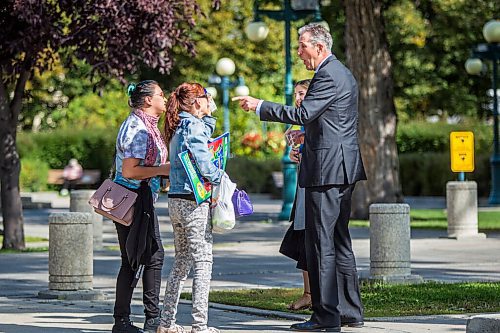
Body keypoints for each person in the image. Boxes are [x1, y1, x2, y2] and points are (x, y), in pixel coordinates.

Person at [234, 23, 366, 332]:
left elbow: (303, 114)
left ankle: (325, 316)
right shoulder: (340, 72)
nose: (298, 52)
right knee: (338, 240)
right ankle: (349, 311)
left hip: (327, 169)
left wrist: (260, 106)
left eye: (302, 46)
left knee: (320, 242)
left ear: (319, 48)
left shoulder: (328, 73)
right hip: (339, 167)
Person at [158, 82, 224, 333]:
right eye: (207, 98)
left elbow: (202, 139)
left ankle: (166, 323)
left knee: (182, 261)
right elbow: (204, 162)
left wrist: (209, 114)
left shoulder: (180, 125)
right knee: (203, 260)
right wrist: (221, 178)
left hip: (176, 199)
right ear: (197, 101)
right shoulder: (192, 126)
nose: (210, 102)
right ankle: (200, 325)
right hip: (192, 201)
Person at [112, 80, 170, 333]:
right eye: (160, 94)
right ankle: (144, 319)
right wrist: (162, 170)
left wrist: (161, 177)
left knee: (141, 257)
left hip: (141, 198)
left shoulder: (148, 126)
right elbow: (129, 170)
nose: (165, 98)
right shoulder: (138, 128)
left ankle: (130, 320)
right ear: (148, 100)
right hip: (133, 199)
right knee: (146, 257)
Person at [278, 79, 312, 311]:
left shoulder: (320, 118)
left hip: (316, 190)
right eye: (296, 94)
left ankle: (313, 294)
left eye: (303, 93)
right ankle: (308, 293)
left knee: (309, 241)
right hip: (303, 188)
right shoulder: (301, 123)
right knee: (302, 241)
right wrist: (294, 151)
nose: (298, 98)